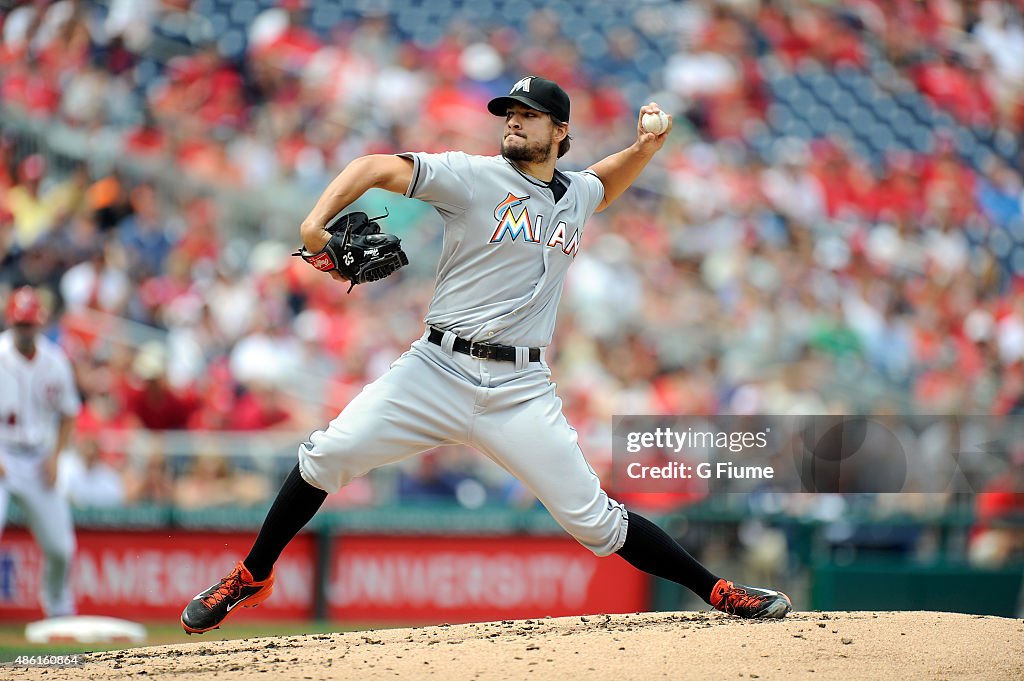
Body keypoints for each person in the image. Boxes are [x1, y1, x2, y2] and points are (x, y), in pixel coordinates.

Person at [181, 75, 792, 634]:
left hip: (520, 389)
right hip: (435, 369)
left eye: (529, 115)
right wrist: (316, 226)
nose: (514, 121)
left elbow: (602, 184)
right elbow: (372, 166)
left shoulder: (576, 194)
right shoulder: (471, 176)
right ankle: (253, 574)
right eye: (509, 113)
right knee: (326, 455)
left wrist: (645, 151)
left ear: (560, 133)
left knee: (597, 524)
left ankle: (718, 592)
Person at [0, 286, 81, 618]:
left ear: (41, 323)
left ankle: (58, 610)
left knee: (61, 548)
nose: (25, 330)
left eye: (29, 323)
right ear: (10, 321)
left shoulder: (55, 360)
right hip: (3, 451)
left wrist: (56, 456)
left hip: (38, 456)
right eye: (20, 323)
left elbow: (69, 413)